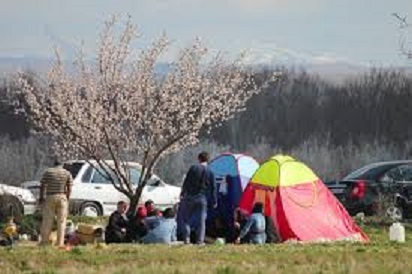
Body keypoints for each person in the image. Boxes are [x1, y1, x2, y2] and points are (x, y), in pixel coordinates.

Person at [180, 151, 217, 245]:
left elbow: (186, 181)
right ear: (208, 160)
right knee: (201, 221)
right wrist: (214, 201)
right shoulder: (210, 172)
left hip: (190, 197)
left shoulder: (193, 168)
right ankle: (200, 241)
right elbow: (213, 188)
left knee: (186, 219)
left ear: (199, 158)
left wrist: (183, 193)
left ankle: (186, 239)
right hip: (202, 198)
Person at [39, 158, 73, 247]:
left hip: (50, 196)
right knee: (61, 222)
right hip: (62, 197)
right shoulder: (67, 173)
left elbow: (42, 185)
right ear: (62, 164)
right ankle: (60, 243)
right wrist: (67, 199)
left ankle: (44, 242)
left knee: (47, 220)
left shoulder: (48, 172)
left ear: (54, 164)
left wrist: (41, 197)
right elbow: (69, 188)